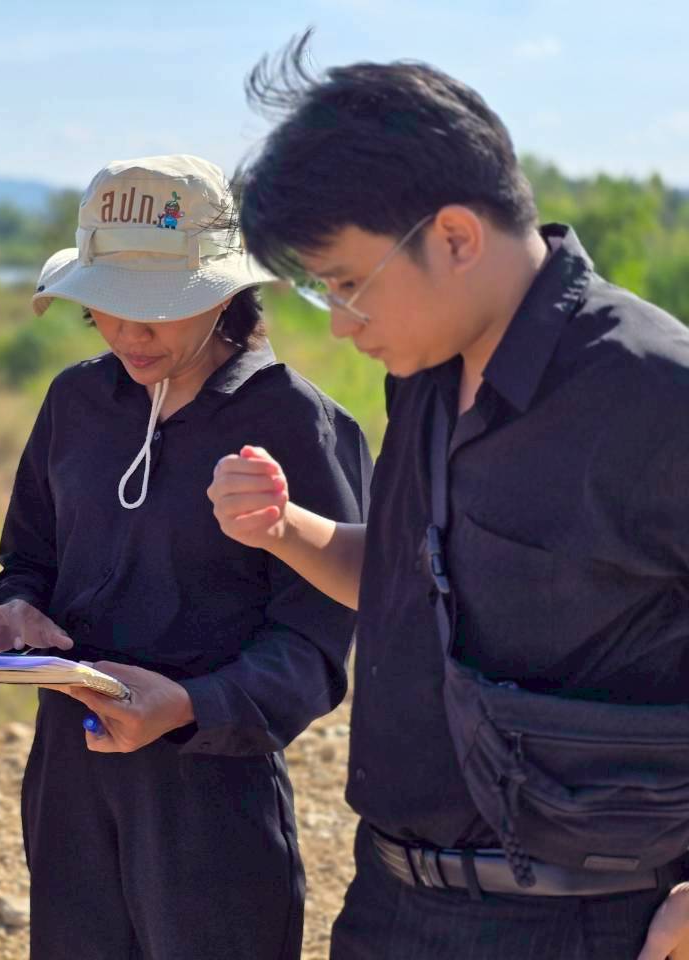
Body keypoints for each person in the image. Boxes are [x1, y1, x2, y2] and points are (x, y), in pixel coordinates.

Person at [209, 34, 689, 959]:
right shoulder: (428, 375)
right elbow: (409, 584)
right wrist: (287, 530)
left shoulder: (654, 393)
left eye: (349, 284)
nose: (340, 324)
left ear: (457, 237)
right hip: (391, 902)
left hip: (586, 922)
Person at [0, 154, 371, 959]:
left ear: (225, 295)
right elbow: (30, 555)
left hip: (213, 790)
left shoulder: (296, 423)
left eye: (157, 310)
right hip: (68, 777)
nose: (130, 333)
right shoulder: (75, 402)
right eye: (108, 306)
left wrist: (187, 705)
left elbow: (315, 649)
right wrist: (16, 612)